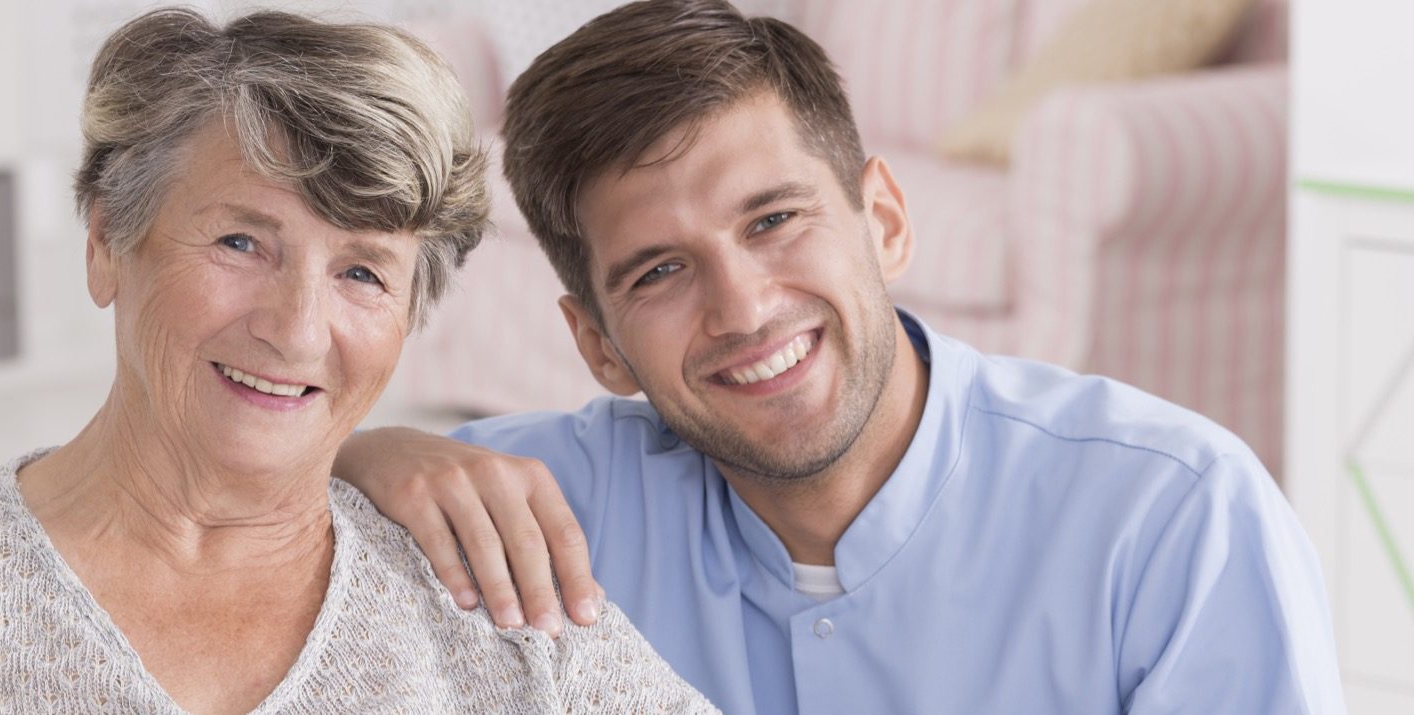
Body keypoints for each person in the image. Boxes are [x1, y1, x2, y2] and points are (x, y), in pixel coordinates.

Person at [335, 1, 1345, 712]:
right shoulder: (533, 510)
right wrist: (352, 458)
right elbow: (214, 505)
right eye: (658, 273)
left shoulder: (1175, 518)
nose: (743, 307)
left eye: (773, 219)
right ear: (597, 345)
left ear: (887, 221)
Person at [0, 8, 714, 714]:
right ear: (108, 238)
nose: (294, 326)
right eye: (241, 243)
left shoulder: (489, 597)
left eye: (362, 272)